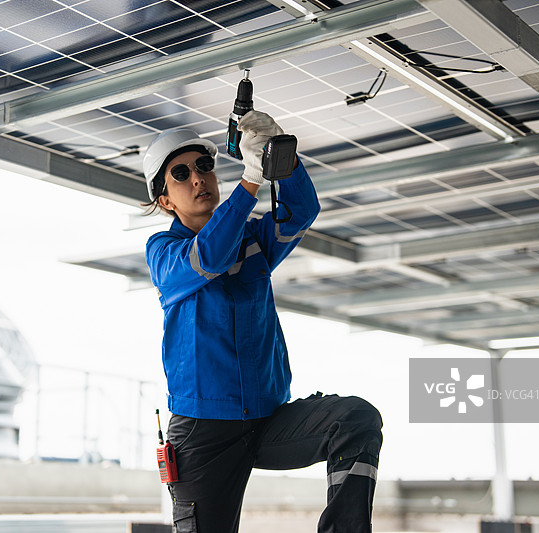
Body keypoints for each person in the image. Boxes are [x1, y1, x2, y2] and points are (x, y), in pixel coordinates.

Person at [142, 110, 383, 533]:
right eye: (181, 174)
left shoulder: (253, 240)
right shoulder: (164, 252)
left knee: (356, 419)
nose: (198, 178)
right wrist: (251, 181)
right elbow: (210, 256)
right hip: (205, 433)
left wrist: (280, 157)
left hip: (268, 419)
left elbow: (302, 209)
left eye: (204, 166)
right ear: (165, 200)